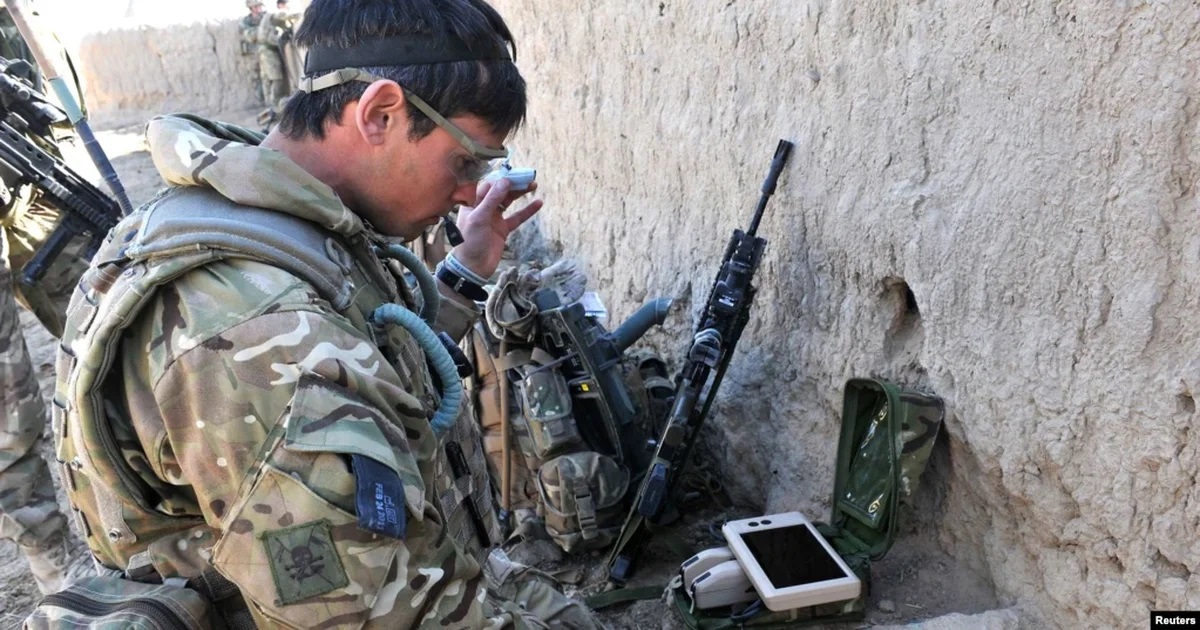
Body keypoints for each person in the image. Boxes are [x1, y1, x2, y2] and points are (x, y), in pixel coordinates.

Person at [53, 0, 601, 627]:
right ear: (380, 113)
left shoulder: (276, 218)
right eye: (466, 161)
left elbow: (370, 365)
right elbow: (373, 616)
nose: (472, 190)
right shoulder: (253, 327)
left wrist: (464, 274)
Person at [0, 6, 95, 594]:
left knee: (111, 332)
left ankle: (158, 518)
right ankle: (58, 569)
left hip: (25, 165)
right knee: (7, 405)